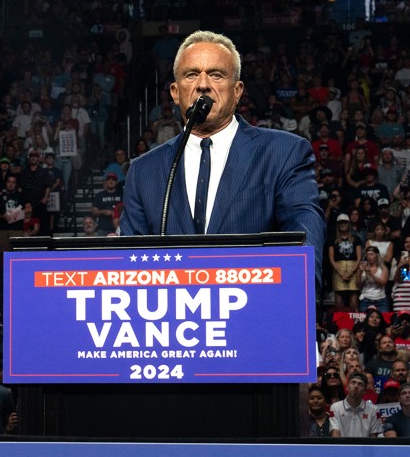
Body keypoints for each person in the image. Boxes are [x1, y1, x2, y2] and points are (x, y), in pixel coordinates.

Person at [119, 31, 324, 283]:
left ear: (237, 91)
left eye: (216, 75)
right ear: (175, 91)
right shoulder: (143, 171)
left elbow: (304, 245)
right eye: (191, 74)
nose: (203, 84)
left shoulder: (284, 153)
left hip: (255, 315)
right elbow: (129, 270)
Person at [329, 372, 383, 437]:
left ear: (365, 391)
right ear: (347, 387)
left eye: (360, 384)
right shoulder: (335, 407)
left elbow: (373, 436)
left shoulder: (373, 410)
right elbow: (335, 433)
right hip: (343, 446)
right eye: (353, 383)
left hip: (365, 446)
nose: (356, 386)